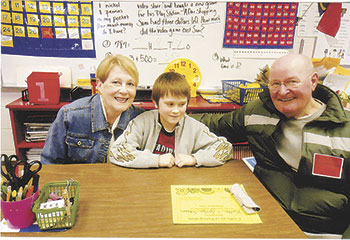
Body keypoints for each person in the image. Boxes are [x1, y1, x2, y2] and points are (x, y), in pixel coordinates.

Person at [192, 54, 350, 236]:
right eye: (275, 84)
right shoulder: (258, 112)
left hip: (324, 232)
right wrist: (164, 116)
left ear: (313, 82)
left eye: (292, 82)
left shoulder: (345, 130)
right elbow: (213, 124)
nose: (282, 92)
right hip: (266, 223)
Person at [109, 72, 233, 168]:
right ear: (156, 102)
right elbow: (116, 152)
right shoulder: (142, 122)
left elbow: (225, 149)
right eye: (170, 104)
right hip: (147, 183)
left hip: (180, 184)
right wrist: (156, 160)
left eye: (181, 104)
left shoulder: (194, 127)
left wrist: (194, 158)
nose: (176, 111)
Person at [41, 54, 144, 164]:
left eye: (130, 84)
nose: (124, 91)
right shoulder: (71, 115)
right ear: (99, 85)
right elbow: (49, 163)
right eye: (116, 83)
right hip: (78, 180)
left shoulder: (140, 118)